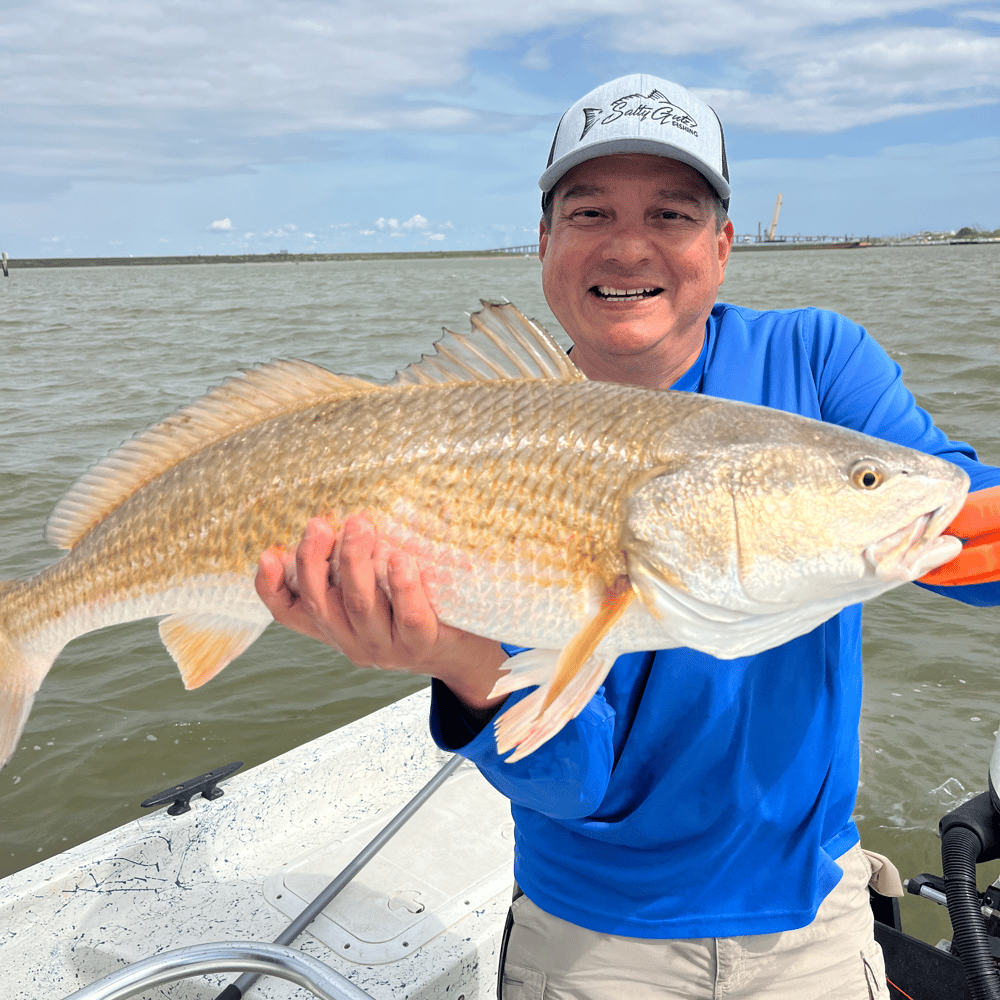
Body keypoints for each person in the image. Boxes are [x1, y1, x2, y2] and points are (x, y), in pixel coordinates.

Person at [256, 74, 1000, 999]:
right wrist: (450, 648)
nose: (630, 244)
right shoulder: (489, 451)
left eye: (673, 213)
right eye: (591, 211)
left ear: (723, 246)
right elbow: (574, 785)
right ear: (544, 242)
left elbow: (966, 532)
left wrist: (938, 511)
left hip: (814, 913)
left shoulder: (814, 360)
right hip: (586, 939)